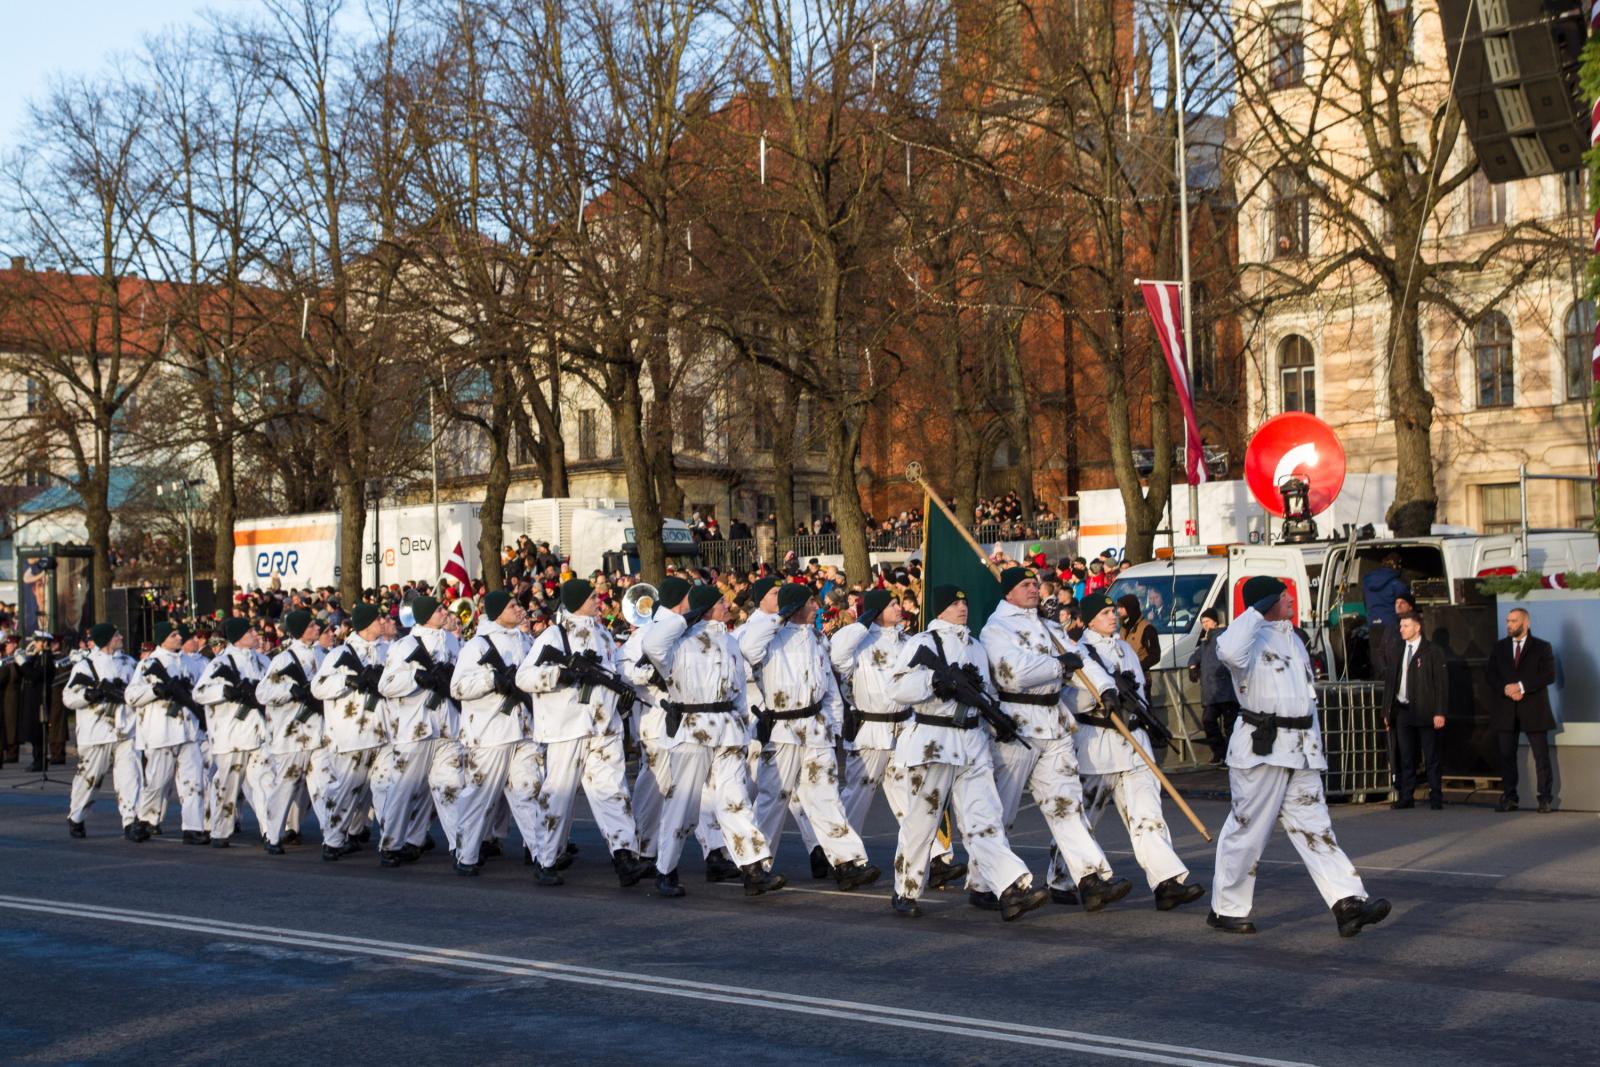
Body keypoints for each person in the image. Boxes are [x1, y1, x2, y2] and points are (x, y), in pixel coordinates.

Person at [1210, 576, 1390, 937]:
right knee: (1248, 831)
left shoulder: (1293, 637)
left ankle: (1347, 903)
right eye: (1282, 595)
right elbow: (1227, 651)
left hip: (1301, 751)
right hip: (1263, 748)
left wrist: (1316, 749)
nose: (1290, 599)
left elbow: (1305, 698)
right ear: (1265, 603)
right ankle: (1227, 908)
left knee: (1316, 829)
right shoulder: (1247, 637)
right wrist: (1254, 612)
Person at [887, 585, 1049, 921]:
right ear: (940, 609)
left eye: (964, 602)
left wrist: (998, 723)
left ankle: (1009, 886)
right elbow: (897, 688)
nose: (962, 608)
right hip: (932, 742)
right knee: (922, 822)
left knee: (985, 819)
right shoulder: (923, 643)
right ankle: (906, 889)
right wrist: (933, 682)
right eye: (955, 603)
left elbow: (986, 692)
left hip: (972, 742)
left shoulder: (975, 646)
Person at [977, 568, 1133, 913]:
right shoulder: (996, 628)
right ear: (1009, 593)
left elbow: (1081, 660)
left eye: (1035, 584)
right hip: (1016, 725)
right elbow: (1013, 673)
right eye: (1025, 585)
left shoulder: (1049, 627)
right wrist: (1058, 664)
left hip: (1055, 722)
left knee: (1067, 805)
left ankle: (1090, 878)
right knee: (1002, 808)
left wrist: (1104, 688)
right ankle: (985, 879)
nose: (1033, 589)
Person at [642, 578, 786, 897]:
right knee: (683, 802)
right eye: (720, 603)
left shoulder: (731, 641)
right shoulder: (678, 641)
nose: (727, 607)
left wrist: (745, 725)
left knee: (735, 799)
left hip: (729, 728)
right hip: (692, 726)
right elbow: (650, 645)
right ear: (706, 609)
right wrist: (684, 619)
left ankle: (752, 868)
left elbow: (737, 689)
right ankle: (665, 869)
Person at [740, 583, 881, 892]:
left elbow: (828, 684)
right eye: (810, 604)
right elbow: (747, 649)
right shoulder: (770, 637)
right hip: (781, 730)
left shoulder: (816, 638)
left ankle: (847, 863)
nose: (817, 609)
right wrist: (780, 617)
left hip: (815, 728)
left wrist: (833, 723)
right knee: (772, 799)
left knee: (825, 797)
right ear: (794, 608)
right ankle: (756, 866)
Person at [1069, 594, 1203, 911]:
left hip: (1133, 743)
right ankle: (1066, 877)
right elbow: (1071, 700)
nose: (1112, 617)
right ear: (1089, 620)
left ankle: (1167, 882)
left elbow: (1139, 693)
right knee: (1082, 819)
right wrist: (1100, 699)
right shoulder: (1077, 652)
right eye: (1103, 613)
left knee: (1148, 817)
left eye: (1112, 611)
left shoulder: (1127, 649)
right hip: (1097, 743)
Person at [829, 588, 965, 891]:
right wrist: (863, 621)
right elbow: (837, 654)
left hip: (904, 729)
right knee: (856, 797)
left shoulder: (907, 641)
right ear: (877, 611)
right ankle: (843, 858)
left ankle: (934, 858)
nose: (899, 607)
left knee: (912, 797)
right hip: (870, 731)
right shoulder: (860, 642)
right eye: (891, 604)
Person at [517, 578, 648, 887]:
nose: (598, 601)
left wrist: (624, 693)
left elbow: (611, 674)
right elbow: (525, 676)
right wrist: (560, 673)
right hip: (568, 728)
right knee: (558, 796)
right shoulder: (554, 635)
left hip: (603, 727)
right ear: (577, 600)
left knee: (613, 791)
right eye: (592, 597)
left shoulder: (602, 633)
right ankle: (545, 858)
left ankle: (625, 856)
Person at [449, 590, 549, 879]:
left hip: (524, 730)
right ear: (496, 613)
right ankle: (466, 854)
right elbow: (458, 687)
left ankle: (544, 857)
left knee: (529, 790)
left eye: (518, 604)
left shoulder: (526, 641)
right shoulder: (478, 646)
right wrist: (492, 679)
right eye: (512, 605)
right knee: (480, 796)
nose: (519, 609)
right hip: (490, 732)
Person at [377, 596, 456, 866]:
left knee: (443, 786)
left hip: (447, 727)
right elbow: (385, 685)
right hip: (416, 726)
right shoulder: (405, 645)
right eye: (439, 609)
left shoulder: (452, 640)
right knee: (404, 788)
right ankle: (390, 843)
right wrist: (417, 678)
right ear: (425, 616)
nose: (445, 612)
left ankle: (421, 839)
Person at [309, 603, 391, 861]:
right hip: (351, 734)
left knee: (384, 787)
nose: (383, 622)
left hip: (383, 732)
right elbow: (318, 687)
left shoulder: (386, 650)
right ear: (367, 624)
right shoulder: (340, 654)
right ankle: (333, 841)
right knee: (346, 790)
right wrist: (347, 681)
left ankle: (387, 842)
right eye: (379, 618)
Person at [125, 621, 209, 844]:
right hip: (161, 731)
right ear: (163, 638)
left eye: (179, 635)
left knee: (194, 781)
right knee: (158, 782)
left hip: (189, 731)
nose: (179, 638)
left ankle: (193, 827)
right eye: (174, 635)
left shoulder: (190, 662)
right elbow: (131, 695)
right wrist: (154, 690)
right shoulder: (149, 664)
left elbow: (202, 688)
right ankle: (143, 820)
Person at [194, 617, 272, 848]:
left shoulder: (261, 660)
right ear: (239, 637)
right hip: (232, 736)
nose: (256, 635)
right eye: (250, 632)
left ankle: (270, 832)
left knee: (264, 781)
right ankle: (220, 831)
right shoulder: (221, 663)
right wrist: (225, 691)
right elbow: (200, 692)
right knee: (227, 786)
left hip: (259, 732)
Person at [62, 623, 144, 841]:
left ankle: (131, 821)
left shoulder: (129, 662)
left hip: (126, 728)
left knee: (130, 776)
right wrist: (89, 695)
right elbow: (69, 697)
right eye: (116, 635)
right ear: (106, 639)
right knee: (89, 778)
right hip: (96, 731)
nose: (120, 637)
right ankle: (77, 816)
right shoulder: (86, 666)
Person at [255, 610, 327, 854]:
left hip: (318, 733)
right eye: (311, 626)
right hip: (291, 736)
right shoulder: (284, 660)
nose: (317, 629)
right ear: (300, 631)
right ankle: (273, 835)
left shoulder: (321, 654)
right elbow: (262, 693)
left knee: (324, 785)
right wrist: (290, 690)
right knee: (285, 787)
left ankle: (333, 837)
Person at [1485, 607, 1557, 813]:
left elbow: (1548, 675)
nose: (1509, 625)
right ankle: (1510, 797)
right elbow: (1490, 674)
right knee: (1507, 755)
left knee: (1540, 756)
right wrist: (1506, 689)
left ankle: (1545, 798)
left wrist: (1522, 687)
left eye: (1514, 621)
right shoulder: (1499, 648)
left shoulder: (1542, 647)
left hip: (1533, 709)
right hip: (1506, 709)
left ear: (1526, 623)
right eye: (1508, 621)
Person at [1383, 611, 1447, 810]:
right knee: (1406, 755)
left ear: (1417, 627)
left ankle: (1436, 796)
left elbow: (1442, 683)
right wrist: (1386, 711)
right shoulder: (1397, 649)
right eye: (1401, 626)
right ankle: (1406, 795)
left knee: (1430, 755)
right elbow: (1390, 682)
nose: (1402, 630)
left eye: (1406, 626)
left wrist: (1440, 711)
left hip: (1426, 710)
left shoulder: (1432, 651)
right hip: (1403, 710)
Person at [1187, 609, 1237, 764]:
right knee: (1209, 722)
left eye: (1207, 621)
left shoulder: (1225, 636)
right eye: (1203, 623)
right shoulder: (1205, 641)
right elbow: (1195, 657)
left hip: (1226, 690)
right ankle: (1221, 753)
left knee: (1230, 726)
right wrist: (1192, 666)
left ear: (1215, 621)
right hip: (1211, 692)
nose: (1205, 625)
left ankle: (1230, 756)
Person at [1116, 594, 1161, 671]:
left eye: (1122, 607)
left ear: (1130, 608)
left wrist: (1137, 668)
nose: (1118, 610)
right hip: (1124, 677)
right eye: (1118, 607)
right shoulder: (1123, 627)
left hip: (1142, 678)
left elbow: (1154, 656)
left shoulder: (1147, 628)